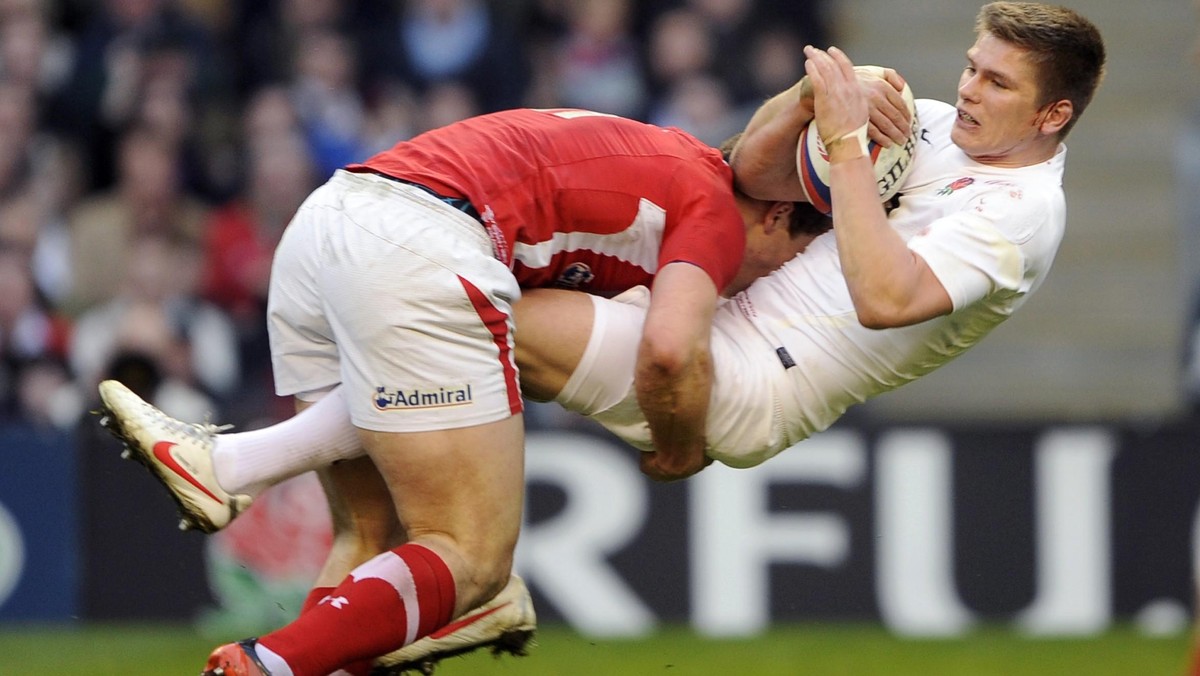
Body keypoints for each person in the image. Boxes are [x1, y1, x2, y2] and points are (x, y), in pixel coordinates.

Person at [105, 2, 1107, 672]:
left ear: (1054, 114)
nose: (967, 93)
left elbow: (885, 293)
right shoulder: (933, 125)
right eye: (972, 67)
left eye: (997, 85)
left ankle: (254, 478)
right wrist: (813, 102)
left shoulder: (1022, 218)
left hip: (756, 375)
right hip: (709, 315)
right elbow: (745, 163)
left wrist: (845, 143)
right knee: (381, 507)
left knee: (462, 326)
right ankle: (361, 547)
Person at [98, 105, 848, 676]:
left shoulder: (670, 158)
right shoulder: (715, 213)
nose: (766, 283)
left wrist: (821, 95)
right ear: (780, 214)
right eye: (791, 260)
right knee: (473, 556)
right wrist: (681, 446)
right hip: (419, 245)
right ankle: (266, 664)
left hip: (330, 223)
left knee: (372, 543)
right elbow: (670, 351)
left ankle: (235, 467)